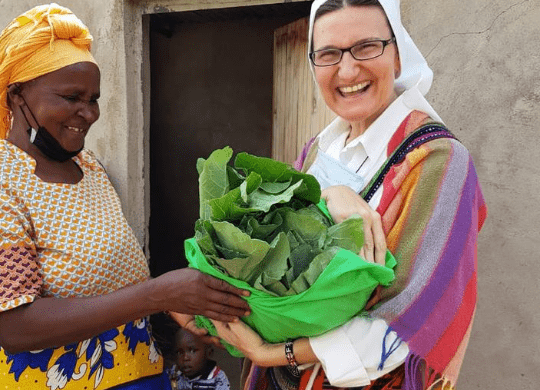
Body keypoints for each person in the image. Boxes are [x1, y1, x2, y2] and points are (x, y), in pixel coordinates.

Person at [210, 0, 487, 389]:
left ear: (398, 56)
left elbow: (409, 322)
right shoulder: (317, 152)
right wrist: (328, 193)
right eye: (328, 54)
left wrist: (272, 354)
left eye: (367, 46)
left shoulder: (438, 161)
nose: (348, 69)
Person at [0, 4, 250, 390]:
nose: (89, 113)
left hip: (142, 372)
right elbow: (15, 326)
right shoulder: (5, 180)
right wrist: (158, 293)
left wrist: (181, 309)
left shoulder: (90, 167)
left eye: (94, 98)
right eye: (72, 97)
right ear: (17, 95)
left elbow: (115, 282)